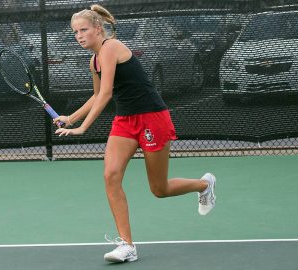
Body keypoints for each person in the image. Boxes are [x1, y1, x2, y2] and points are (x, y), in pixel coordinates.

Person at [53, 4, 216, 263]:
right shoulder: (93, 60)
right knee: (111, 175)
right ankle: (127, 245)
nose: (79, 36)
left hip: (152, 118)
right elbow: (96, 95)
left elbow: (106, 94)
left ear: (98, 29)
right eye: (75, 32)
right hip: (125, 122)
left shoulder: (112, 48)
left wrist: (83, 127)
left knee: (159, 189)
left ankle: (205, 185)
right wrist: (70, 118)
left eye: (83, 30)